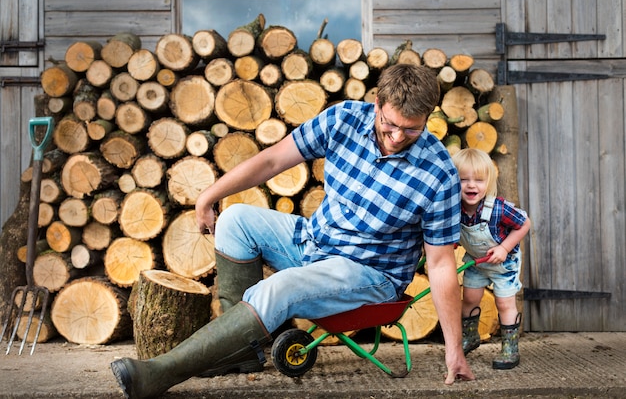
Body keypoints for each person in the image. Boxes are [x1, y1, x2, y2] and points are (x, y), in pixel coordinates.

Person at [110, 64, 475, 399]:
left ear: (429, 117)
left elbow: (441, 264)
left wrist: (453, 349)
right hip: (314, 241)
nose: (397, 136)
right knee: (235, 219)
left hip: (369, 274)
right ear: (376, 102)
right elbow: (271, 160)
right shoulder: (343, 119)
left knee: (279, 287)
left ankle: (160, 374)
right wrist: (209, 195)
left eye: (412, 129)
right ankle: (242, 355)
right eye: (390, 124)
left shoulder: (438, 173)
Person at [451, 148, 531, 370]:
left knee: (504, 302)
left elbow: (524, 223)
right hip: (476, 262)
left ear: (489, 181)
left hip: (503, 264)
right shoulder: (454, 209)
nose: (471, 185)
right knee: (469, 298)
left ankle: (510, 348)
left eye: (478, 180)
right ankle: (470, 337)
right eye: (463, 179)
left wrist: (505, 248)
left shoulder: (498, 208)